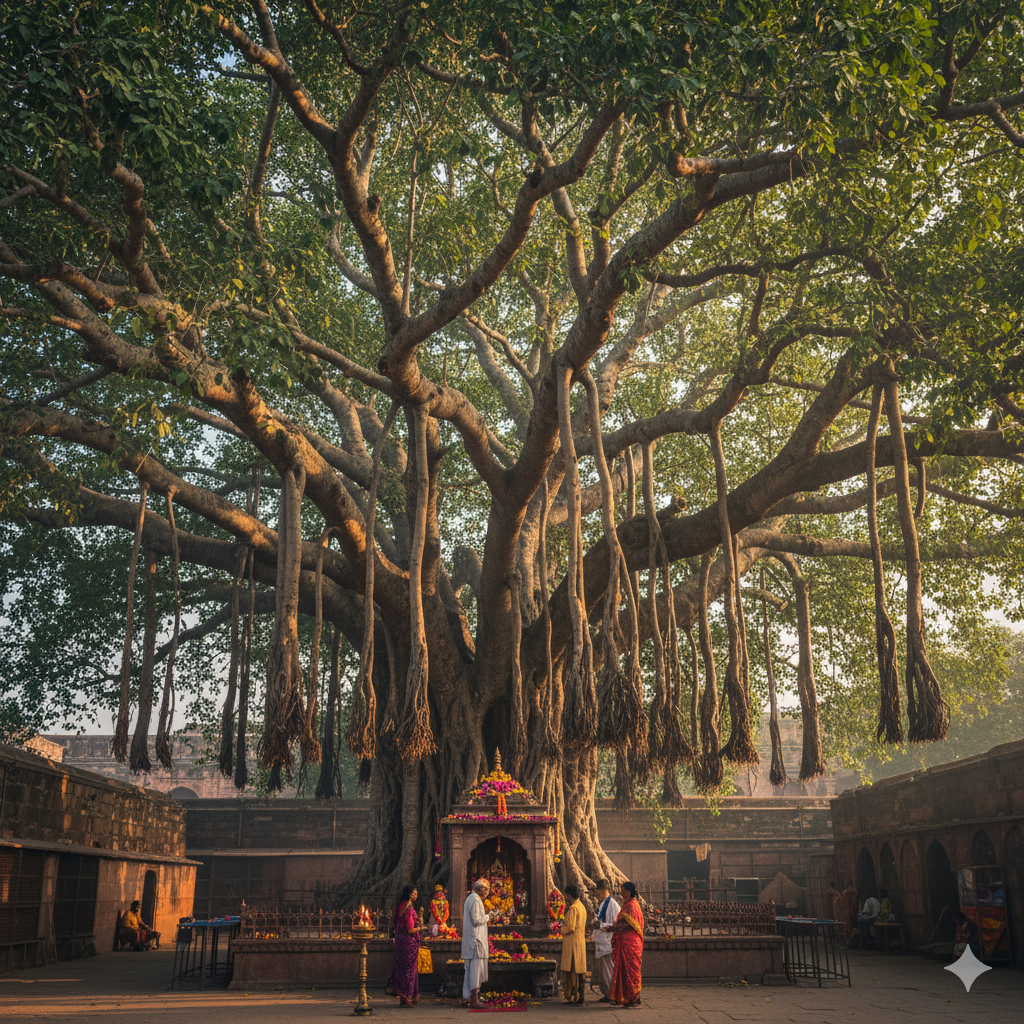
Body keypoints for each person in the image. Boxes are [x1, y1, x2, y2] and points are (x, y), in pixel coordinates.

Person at [387, 885, 424, 1007]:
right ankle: (406, 998)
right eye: (414, 894)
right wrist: (421, 928)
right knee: (408, 970)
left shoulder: (402, 905)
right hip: (407, 942)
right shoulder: (408, 909)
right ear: (409, 894)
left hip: (401, 940)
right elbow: (410, 929)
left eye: (416, 894)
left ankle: (405, 997)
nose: (415, 896)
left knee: (402, 967)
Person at [609, 880, 644, 1009]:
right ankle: (627, 998)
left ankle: (635, 999)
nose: (621, 895)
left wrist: (610, 928)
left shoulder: (631, 906)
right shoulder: (631, 904)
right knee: (625, 971)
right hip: (627, 942)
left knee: (631, 971)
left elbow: (623, 924)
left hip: (630, 943)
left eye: (623, 892)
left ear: (628, 893)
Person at [461, 878, 492, 1009]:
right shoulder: (475, 900)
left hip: (473, 940)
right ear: (480, 889)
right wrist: (488, 916)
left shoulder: (471, 898)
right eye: (486, 889)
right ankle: (474, 1000)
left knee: (470, 970)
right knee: (475, 970)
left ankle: (466, 997)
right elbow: (476, 920)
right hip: (476, 941)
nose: (487, 892)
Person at [591, 879, 620, 1003]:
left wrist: (600, 925)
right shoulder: (603, 904)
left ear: (604, 890)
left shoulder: (612, 905)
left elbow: (615, 925)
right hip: (602, 941)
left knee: (608, 971)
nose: (596, 893)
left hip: (608, 942)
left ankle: (613, 994)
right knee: (603, 971)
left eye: (597, 890)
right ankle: (607, 993)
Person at [560, 884, 587, 1004]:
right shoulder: (581, 906)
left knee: (573, 971)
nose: (565, 898)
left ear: (569, 895)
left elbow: (570, 927)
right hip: (579, 942)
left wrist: (561, 929)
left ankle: (574, 995)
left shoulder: (573, 908)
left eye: (566, 895)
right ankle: (580, 995)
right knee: (579, 970)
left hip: (572, 944)